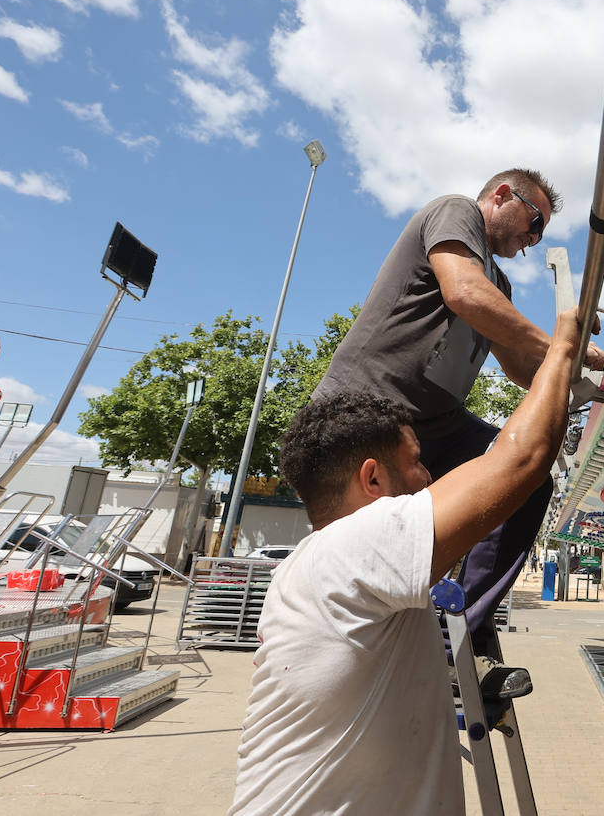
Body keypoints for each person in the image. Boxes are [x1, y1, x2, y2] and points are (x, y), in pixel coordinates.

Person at [229, 309, 581, 816]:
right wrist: (563, 346)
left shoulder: (323, 567)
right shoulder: (351, 549)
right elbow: (521, 461)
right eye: (416, 461)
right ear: (372, 481)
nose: (429, 476)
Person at [313, 168, 604, 657]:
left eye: (541, 235)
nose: (532, 241)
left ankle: (461, 629)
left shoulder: (501, 287)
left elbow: (523, 369)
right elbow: (463, 293)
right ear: (502, 195)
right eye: (534, 223)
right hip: (366, 410)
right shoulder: (455, 211)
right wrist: (561, 344)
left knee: (529, 478)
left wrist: (582, 378)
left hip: (434, 426)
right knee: (358, 555)